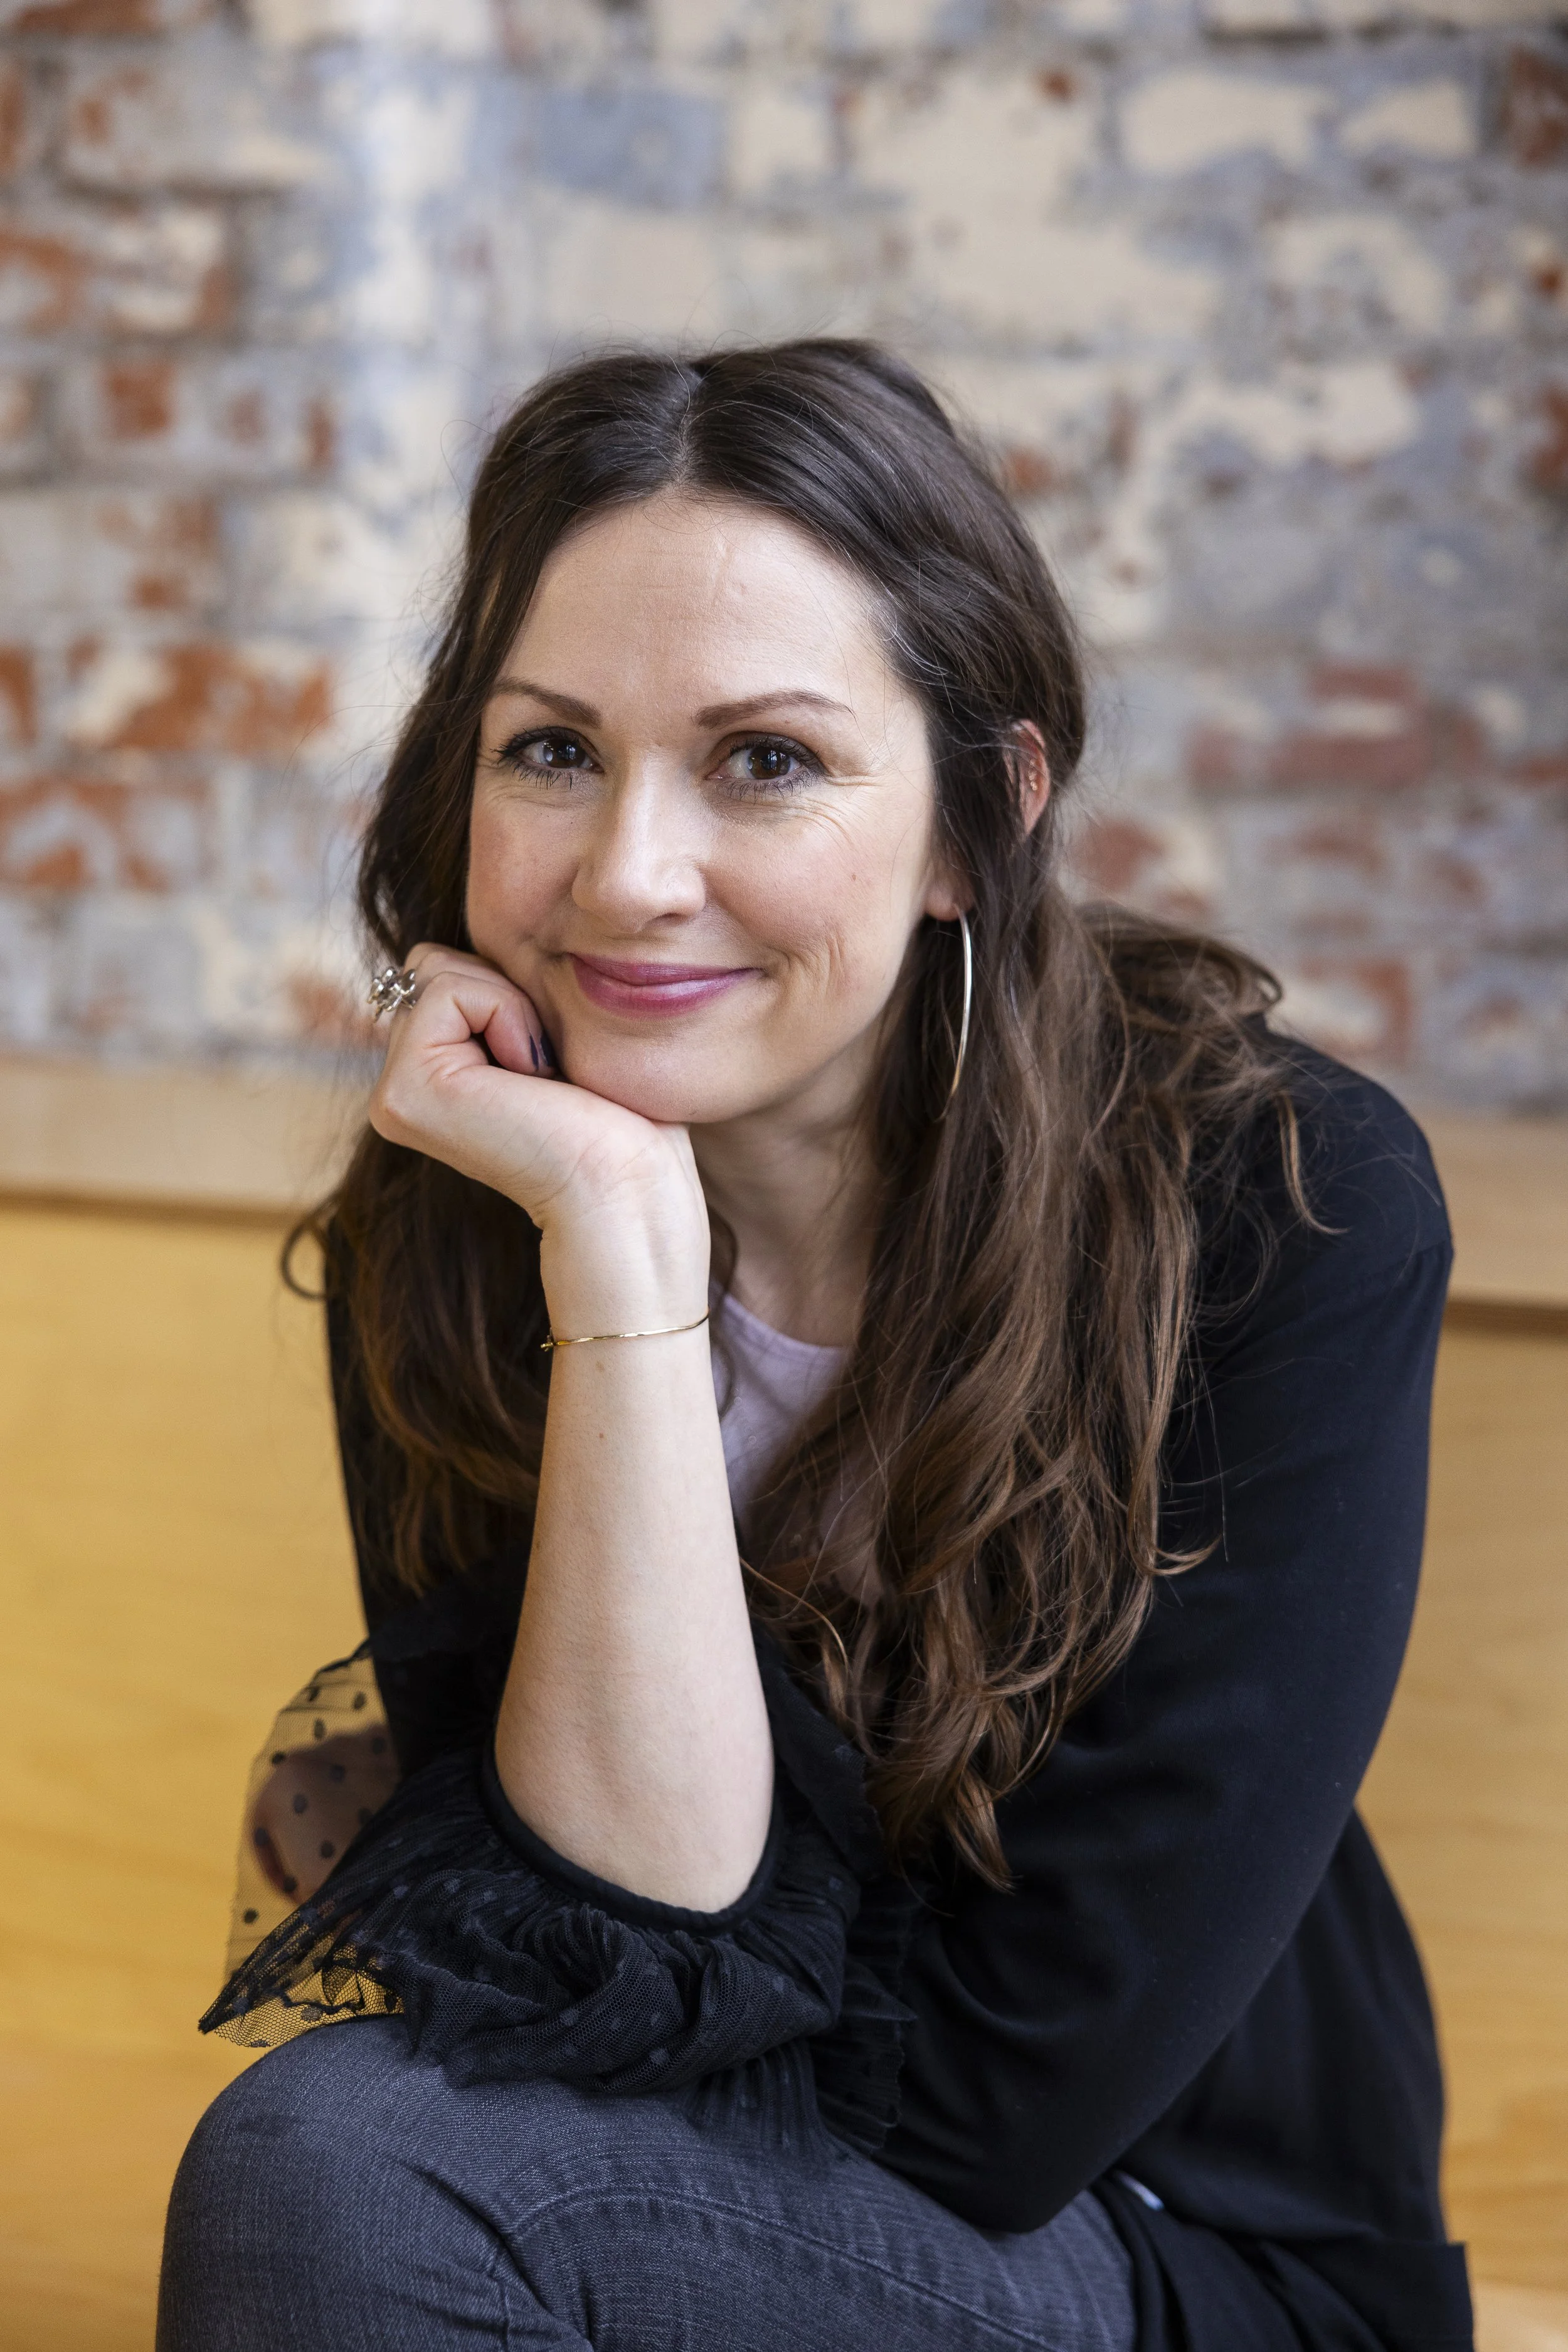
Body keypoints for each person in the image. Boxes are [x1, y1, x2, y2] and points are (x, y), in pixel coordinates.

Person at [157, 342, 1468, 2352]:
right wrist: (616, 1259)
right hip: (679, 2211)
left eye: (763, 757)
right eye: (551, 750)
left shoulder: (1275, 1200)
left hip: (1180, 2254)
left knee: (335, 2164)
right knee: (340, 2165)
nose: (626, 874)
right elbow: (609, 1957)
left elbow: (995, 2110)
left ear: (975, 819)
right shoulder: (464, 1230)